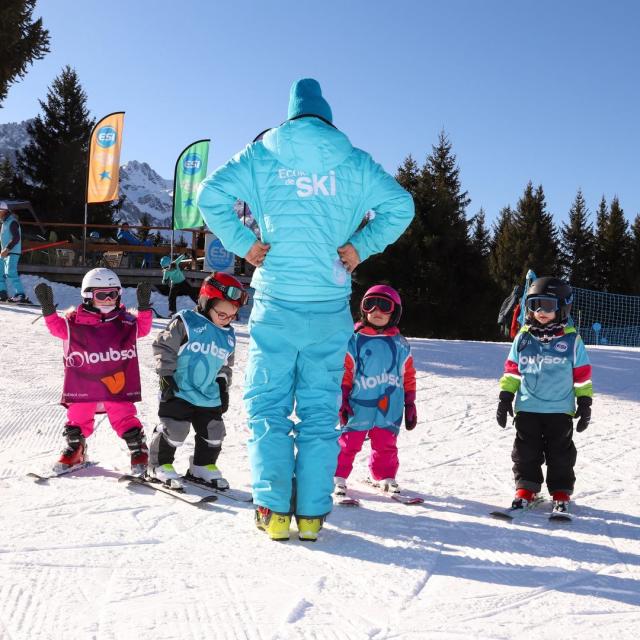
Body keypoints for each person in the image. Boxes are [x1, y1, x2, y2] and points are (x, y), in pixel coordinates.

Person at [197, 78, 414, 541]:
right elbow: (400, 205)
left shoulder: (261, 155)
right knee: (318, 411)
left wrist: (243, 244)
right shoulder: (354, 162)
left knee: (268, 407)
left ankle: (274, 512)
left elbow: (209, 195)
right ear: (327, 118)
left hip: (276, 304)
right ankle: (312, 516)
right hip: (330, 306)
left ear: (290, 115)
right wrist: (361, 245)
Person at [32, 268, 154, 475]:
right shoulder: (75, 323)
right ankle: (75, 447)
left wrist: (143, 309)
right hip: (84, 381)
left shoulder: (125, 322)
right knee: (78, 413)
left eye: (112, 294)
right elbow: (58, 329)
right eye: (101, 295)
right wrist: (48, 311)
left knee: (122, 412)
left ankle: (138, 448)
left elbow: (141, 329)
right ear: (88, 296)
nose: (107, 300)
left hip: (116, 381)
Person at [496, 276, 593, 517]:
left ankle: (561, 493)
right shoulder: (523, 338)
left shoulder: (572, 340)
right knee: (525, 451)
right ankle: (526, 489)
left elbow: (582, 374)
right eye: (535, 304)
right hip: (528, 406)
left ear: (562, 307)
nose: (540, 311)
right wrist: (505, 397)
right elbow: (512, 370)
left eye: (547, 306)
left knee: (560, 453)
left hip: (559, 409)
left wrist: (585, 402)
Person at [147, 272, 247, 488]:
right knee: (175, 429)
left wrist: (222, 385)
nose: (227, 319)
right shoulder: (187, 322)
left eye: (232, 316)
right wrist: (165, 376)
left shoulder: (228, 335)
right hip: (179, 388)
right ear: (206, 302)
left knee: (214, 431)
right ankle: (158, 464)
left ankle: (202, 465)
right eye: (222, 314)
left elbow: (224, 364)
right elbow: (164, 347)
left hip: (207, 394)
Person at [334, 285, 417, 497]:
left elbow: (408, 374)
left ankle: (384, 475)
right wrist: (342, 398)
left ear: (395, 312)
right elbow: (346, 370)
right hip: (359, 403)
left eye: (384, 306)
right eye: (370, 305)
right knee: (349, 441)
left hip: (390, 406)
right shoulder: (355, 340)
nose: (376, 311)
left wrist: (410, 402)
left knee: (386, 443)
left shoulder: (400, 344)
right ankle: (337, 476)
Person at [0, 201, 28, 303]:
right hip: (4, 253)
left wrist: (7, 249)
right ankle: (2, 293)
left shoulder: (12, 222)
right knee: (0, 272)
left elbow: (16, 238)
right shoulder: (4, 223)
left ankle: (20, 294)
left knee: (10, 272)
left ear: (3, 211)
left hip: (11, 252)